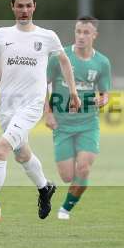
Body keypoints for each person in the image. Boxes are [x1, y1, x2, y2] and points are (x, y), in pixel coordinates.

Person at [0, 0, 80, 229]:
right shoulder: (1, 35)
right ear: (12, 7)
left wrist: (73, 92)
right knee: (22, 154)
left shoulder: (47, 36)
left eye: (28, 6)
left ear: (34, 7)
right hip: (6, 106)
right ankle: (45, 188)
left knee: (0, 150)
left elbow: (65, 62)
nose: (24, 10)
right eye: (20, 6)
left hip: (31, 105)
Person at [45, 16, 112, 220]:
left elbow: (105, 92)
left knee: (83, 168)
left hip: (88, 123)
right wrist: (47, 113)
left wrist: (103, 100)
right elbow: (42, 85)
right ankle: (68, 188)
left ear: (94, 35)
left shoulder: (102, 62)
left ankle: (65, 209)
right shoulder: (59, 56)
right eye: (78, 32)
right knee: (66, 176)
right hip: (62, 124)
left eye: (86, 32)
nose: (81, 36)